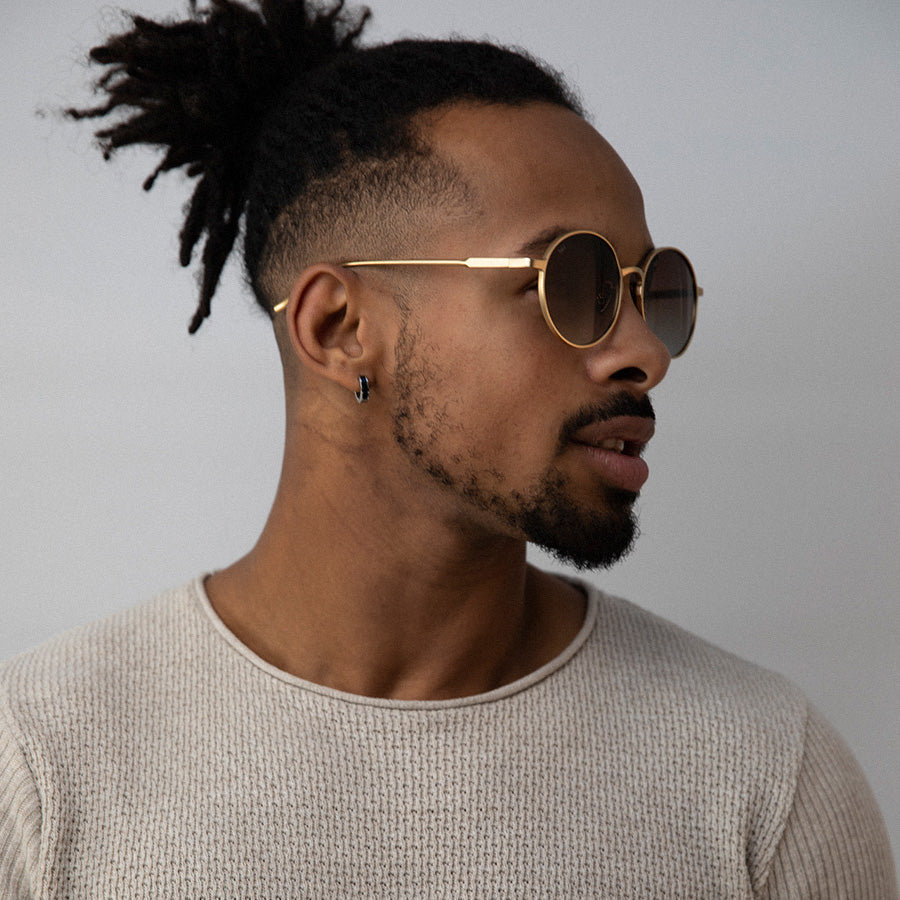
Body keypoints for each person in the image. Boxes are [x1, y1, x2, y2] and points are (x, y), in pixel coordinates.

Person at [0, 0, 896, 896]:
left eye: (652, 292)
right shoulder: (42, 761)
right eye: (569, 281)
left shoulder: (764, 772)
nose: (645, 354)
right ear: (340, 328)